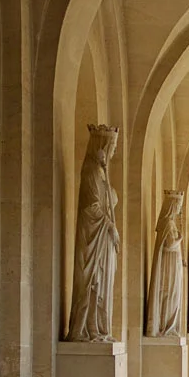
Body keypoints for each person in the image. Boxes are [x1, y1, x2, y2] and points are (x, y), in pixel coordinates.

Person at [66, 126, 119, 341]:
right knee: (91, 282)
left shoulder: (102, 175)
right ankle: (84, 329)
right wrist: (110, 226)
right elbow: (92, 208)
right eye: (112, 147)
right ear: (101, 148)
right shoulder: (91, 173)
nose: (113, 152)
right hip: (93, 238)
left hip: (102, 240)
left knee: (102, 285)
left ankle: (96, 328)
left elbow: (108, 202)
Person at [146, 190, 185, 336]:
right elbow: (169, 245)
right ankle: (166, 325)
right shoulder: (168, 224)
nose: (179, 209)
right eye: (178, 205)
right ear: (172, 206)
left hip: (174, 265)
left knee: (174, 295)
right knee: (169, 294)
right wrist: (180, 238)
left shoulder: (172, 224)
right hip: (168, 266)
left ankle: (171, 325)